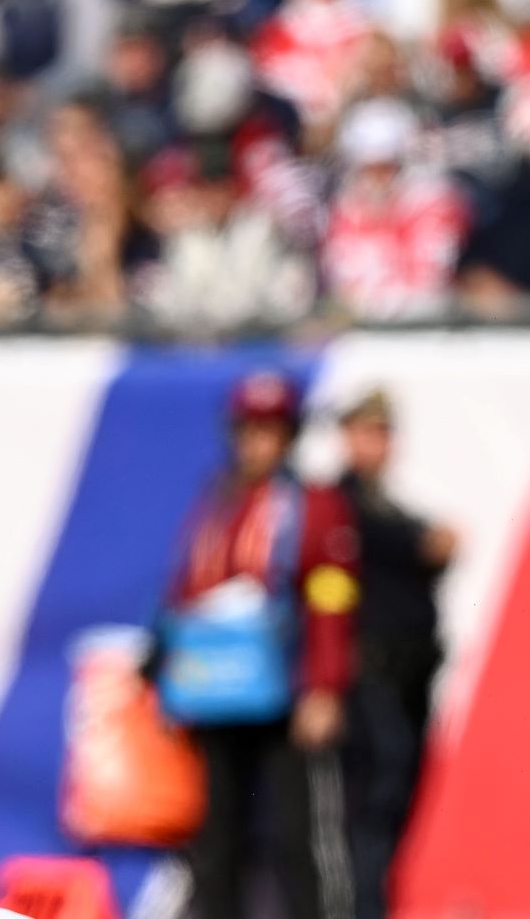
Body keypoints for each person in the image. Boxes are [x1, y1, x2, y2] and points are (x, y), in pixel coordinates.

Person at [156, 371, 359, 919]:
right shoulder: (218, 502)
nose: (256, 442)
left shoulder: (309, 504)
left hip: (284, 699)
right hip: (218, 698)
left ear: (288, 436)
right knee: (218, 839)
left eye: (269, 430)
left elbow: (331, 597)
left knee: (296, 838)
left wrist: (325, 685)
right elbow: (186, 588)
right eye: (248, 430)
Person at [334, 389, 455, 919]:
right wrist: (424, 542)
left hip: (408, 674)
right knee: (375, 798)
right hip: (371, 674)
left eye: (382, 433)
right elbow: (393, 542)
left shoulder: (385, 502)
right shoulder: (341, 503)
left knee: (396, 798)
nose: (375, 444)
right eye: (366, 432)